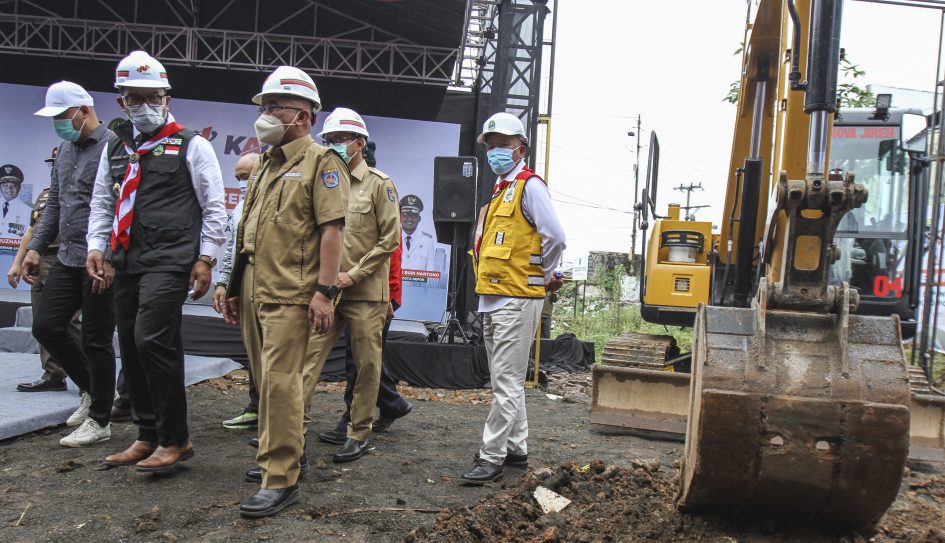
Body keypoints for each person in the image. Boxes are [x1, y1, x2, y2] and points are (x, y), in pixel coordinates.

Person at [87, 51, 227, 471]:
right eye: (135, 98)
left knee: (153, 339)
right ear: (121, 102)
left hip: (172, 260)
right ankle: (147, 435)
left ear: (167, 98)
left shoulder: (192, 144)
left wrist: (206, 259)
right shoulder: (116, 146)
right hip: (126, 259)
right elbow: (101, 201)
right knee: (129, 341)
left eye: (154, 98)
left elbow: (215, 208)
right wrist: (97, 245)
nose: (145, 106)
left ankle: (176, 438)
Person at [220, 66, 347, 518]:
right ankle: (281, 454)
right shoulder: (264, 163)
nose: (268, 114)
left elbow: (332, 232)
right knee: (265, 383)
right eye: (266, 106)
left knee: (280, 384)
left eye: (277, 107)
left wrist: (324, 292)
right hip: (256, 286)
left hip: (293, 292)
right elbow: (247, 232)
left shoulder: (321, 162)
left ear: (305, 115)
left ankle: (282, 477)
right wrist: (234, 286)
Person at [462, 112, 566, 485]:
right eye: (490, 146)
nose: (495, 151)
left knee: (504, 381)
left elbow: (555, 236)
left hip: (518, 298)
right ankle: (517, 449)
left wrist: (544, 274)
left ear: (521, 147)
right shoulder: (500, 190)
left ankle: (491, 456)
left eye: (503, 145)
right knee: (506, 380)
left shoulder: (529, 186)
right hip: (494, 297)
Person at [299, 108, 404, 460]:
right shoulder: (322, 179)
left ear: (360, 143)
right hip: (326, 292)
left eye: (342, 139)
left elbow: (389, 240)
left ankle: (358, 431)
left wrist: (354, 274)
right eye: (329, 140)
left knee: (366, 365)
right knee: (307, 361)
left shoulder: (379, 184)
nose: (335, 145)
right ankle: (292, 430)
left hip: (365, 294)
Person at [22, 82, 118, 447]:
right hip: (66, 256)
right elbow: (55, 205)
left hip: (101, 259)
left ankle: (100, 420)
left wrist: (109, 256)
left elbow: (120, 208)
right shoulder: (64, 148)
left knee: (96, 339)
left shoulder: (114, 146)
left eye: (62, 116)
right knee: (46, 326)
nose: (58, 124)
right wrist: (36, 246)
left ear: (83, 110)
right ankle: (94, 392)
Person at [11, 149, 81, 394]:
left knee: (70, 322)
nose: (55, 168)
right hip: (40, 258)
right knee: (41, 320)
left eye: (58, 163)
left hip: (67, 257)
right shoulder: (45, 196)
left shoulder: (80, 191)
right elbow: (31, 232)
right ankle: (53, 374)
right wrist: (17, 262)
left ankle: (89, 376)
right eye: (53, 164)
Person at [212, 152, 260, 430]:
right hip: (244, 287)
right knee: (254, 350)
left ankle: (279, 417)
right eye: (239, 177)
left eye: (248, 176)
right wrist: (224, 283)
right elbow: (231, 248)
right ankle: (257, 408)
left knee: (273, 355)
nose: (243, 182)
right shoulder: (241, 206)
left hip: (273, 288)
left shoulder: (274, 202)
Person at [399, 194, 436, 271]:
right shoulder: (391, 237)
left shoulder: (427, 241)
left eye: (413, 215)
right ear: (400, 217)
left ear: (419, 219)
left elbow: (430, 272)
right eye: (405, 215)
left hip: (418, 283)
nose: (409, 219)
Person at [0, 165, 32, 243]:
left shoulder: (29, 210)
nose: (9, 189)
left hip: (16, 253)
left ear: (19, 187)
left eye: (13, 185)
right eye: (5, 185)